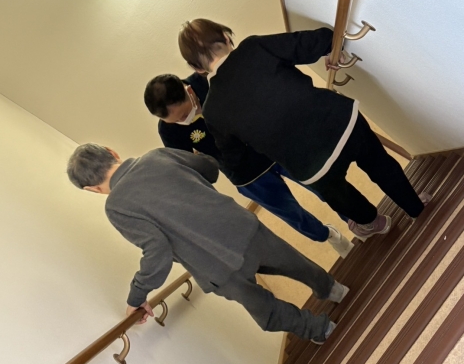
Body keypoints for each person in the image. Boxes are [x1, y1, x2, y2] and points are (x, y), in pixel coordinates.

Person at [66, 144, 350, 343]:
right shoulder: (157, 156)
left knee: (266, 310)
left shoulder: (116, 207)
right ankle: (333, 289)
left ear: (92, 189)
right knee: (293, 263)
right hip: (241, 227)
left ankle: (320, 329)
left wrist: (136, 296)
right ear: (112, 152)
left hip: (215, 265)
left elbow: (157, 250)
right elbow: (209, 168)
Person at [177, 19, 431, 240]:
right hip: (341, 121)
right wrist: (332, 51)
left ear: (196, 68)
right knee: (380, 165)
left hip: (308, 164)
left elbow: (234, 158)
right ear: (226, 37)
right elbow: (317, 40)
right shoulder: (254, 47)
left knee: (339, 196)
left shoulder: (213, 111)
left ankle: (375, 223)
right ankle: (415, 207)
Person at [144, 72, 353, 257]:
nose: (183, 121)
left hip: (272, 146)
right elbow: (190, 165)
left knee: (324, 185)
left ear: (189, 91)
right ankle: (328, 235)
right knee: (293, 214)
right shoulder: (168, 130)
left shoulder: (209, 82)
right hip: (246, 176)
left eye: (183, 115)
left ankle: (356, 219)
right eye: (176, 121)